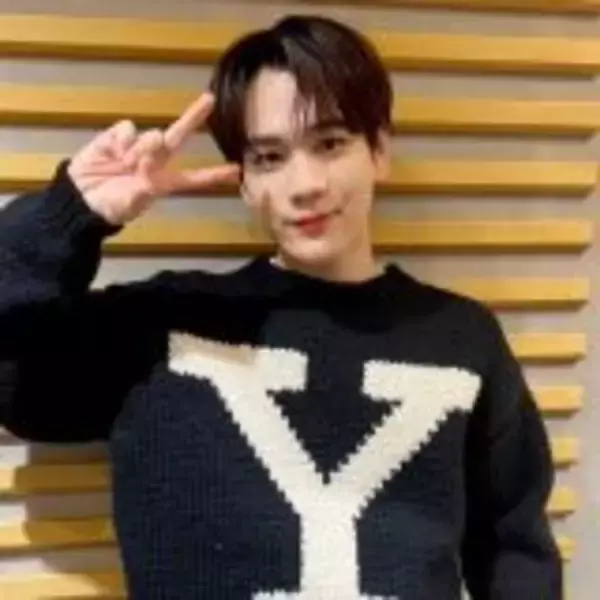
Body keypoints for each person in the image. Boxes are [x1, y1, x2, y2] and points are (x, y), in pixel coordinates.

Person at [0, 14, 563, 600]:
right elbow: (17, 385)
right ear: (244, 182)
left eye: (330, 143)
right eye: (269, 157)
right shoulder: (160, 327)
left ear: (379, 150)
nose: (305, 184)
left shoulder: (461, 339)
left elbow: (514, 552)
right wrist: (71, 215)